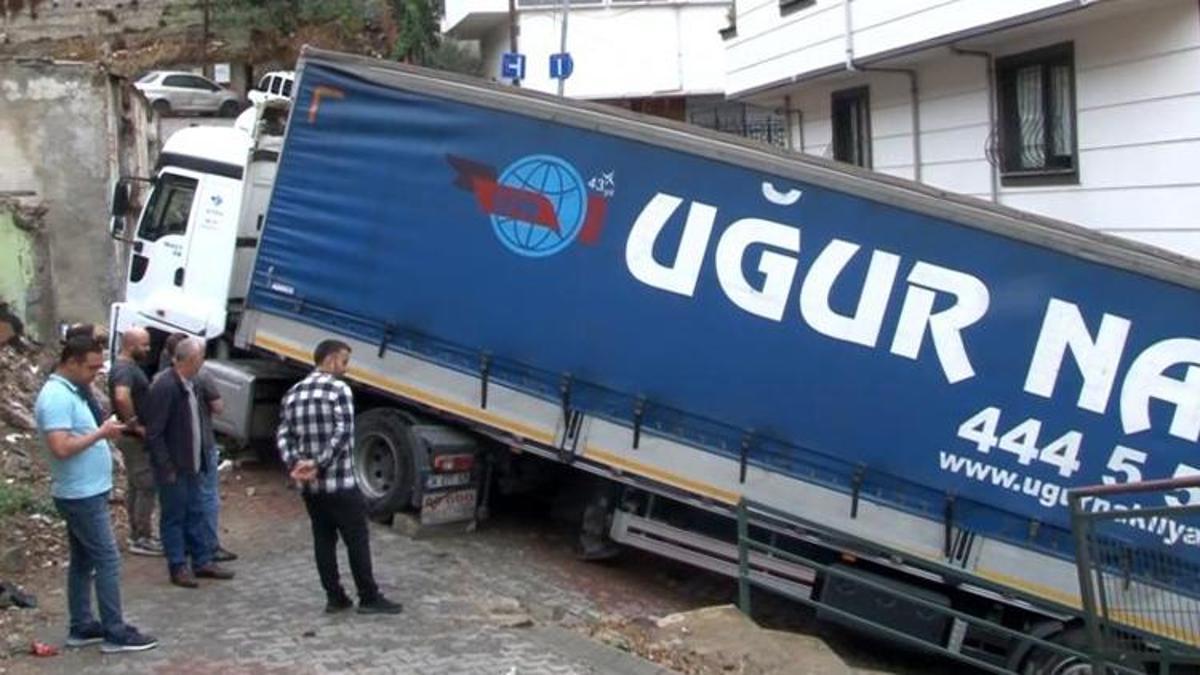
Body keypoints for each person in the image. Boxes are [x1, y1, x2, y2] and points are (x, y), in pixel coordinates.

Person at [35, 335, 158, 653]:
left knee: (83, 561)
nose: (95, 373)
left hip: (85, 491)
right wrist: (102, 433)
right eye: (91, 367)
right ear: (72, 362)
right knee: (107, 560)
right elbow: (61, 447)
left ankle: (82, 625)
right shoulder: (56, 397)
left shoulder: (72, 392)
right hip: (80, 494)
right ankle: (115, 632)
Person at [277, 339, 402, 615]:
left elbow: (284, 435)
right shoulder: (338, 390)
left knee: (323, 539)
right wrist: (320, 464)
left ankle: (334, 596)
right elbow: (343, 433)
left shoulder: (294, 393)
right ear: (332, 359)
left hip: (311, 487)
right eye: (344, 362)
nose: (345, 368)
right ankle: (368, 596)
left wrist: (296, 464)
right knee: (356, 539)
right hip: (341, 482)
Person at [145, 337, 235, 588]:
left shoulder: (191, 384)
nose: (203, 362)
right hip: (175, 467)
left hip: (193, 463)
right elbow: (155, 432)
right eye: (201, 358)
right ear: (192, 360)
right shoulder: (165, 387)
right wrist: (166, 465)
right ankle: (178, 565)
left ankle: (202, 560)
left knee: (195, 512)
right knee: (174, 516)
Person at [109, 327, 162, 557]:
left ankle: (137, 532)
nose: (148, 349)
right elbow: (121, 396)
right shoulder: (124, 369)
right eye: (145, 345)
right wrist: (134, 424)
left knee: (135, 485)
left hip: (132, 436)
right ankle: (142, 537)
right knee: (146, 485)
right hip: (134, 438)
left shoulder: (126, 367)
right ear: (131, 345)